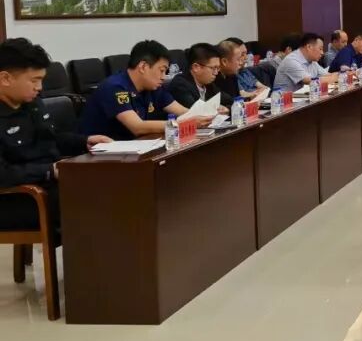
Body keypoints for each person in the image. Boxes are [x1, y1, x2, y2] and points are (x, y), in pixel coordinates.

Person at [0, 38, 111, 229]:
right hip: (17, 197)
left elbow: (50, 139)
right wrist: (50, 170)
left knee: (114, 183)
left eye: (41, 80)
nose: (39, 87)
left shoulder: (32, 102)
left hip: (49, 185)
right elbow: (3, 174)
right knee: (94, 200)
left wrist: (84, 141)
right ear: (5, 79)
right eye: (34, 80)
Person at [79, 40, 210, 139]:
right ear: (143, 67)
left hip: (133, 148)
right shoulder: (115, 87)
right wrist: (182, 123)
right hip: (96, 154)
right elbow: (137, 127)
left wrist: (207, 115)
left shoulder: (153, 87)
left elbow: (184, 112)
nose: (163, 77)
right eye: (162, 70)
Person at [168, 43, 232, 108]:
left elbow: (230, 100)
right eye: (213, 68)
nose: (216, 73)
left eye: (218, 68)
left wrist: (227, 109)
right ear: (196, 67)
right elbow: (195, 110)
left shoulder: (208, 84)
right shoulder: (180, 85)